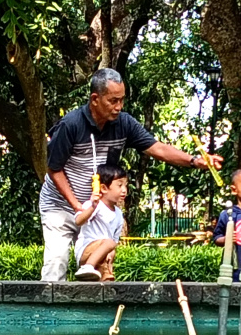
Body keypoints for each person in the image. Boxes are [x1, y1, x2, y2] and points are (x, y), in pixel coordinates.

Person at [39, 67, 222, 281]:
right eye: (113, 101)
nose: (119, 107)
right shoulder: (71, 125)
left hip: (95, 209)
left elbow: (158, 149)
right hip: (61, 205)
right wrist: (78, 206)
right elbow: (54, 169)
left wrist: (194, 160)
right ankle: (49, 314)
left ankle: (88, 314)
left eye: (122, 100)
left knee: (101, 265)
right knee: (57, 260)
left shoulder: (124, 123)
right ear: (95, 99)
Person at [74, 164, 127, 282]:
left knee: (108, 274)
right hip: (86, 251)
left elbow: (115, 240)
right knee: (109, 243)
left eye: (125, 185)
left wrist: (111, 253)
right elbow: (78, 221)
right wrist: (93, 207)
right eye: (119, 185)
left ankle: (103, 279)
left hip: (103, 252)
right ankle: (87, 267)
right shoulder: (94, 205)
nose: (124, 190)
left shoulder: (118, 214)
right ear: (103, 188)